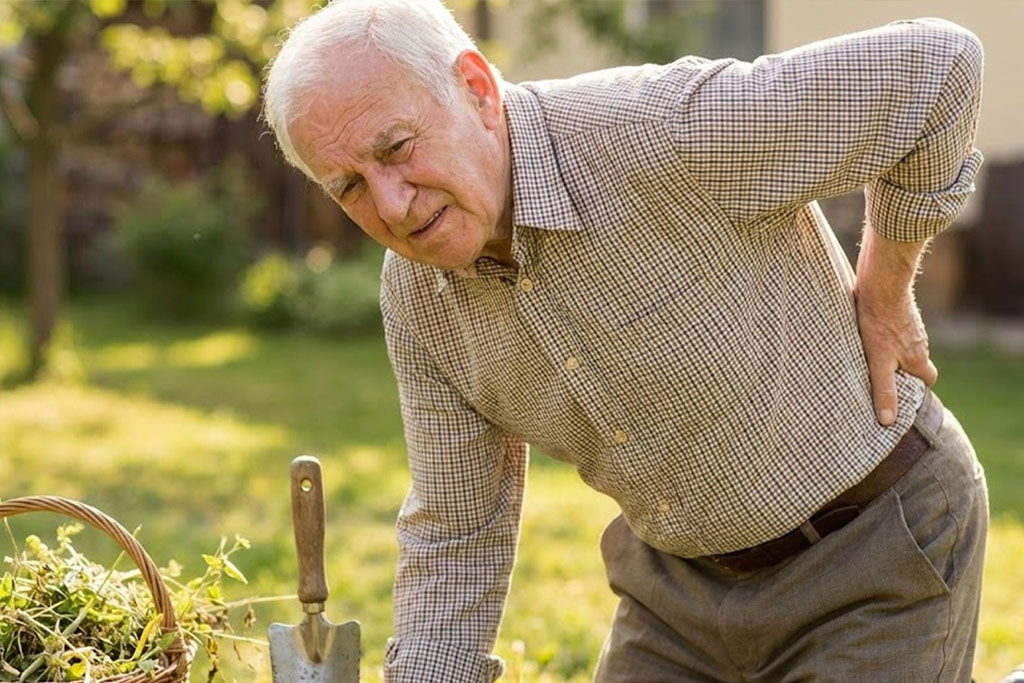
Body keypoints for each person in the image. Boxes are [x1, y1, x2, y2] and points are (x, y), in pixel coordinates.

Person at [262, 1, 989, 681]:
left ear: (478, 89)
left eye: (396, 148)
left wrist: (887, 286)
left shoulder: (663, 131)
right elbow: (458, 532)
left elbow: (939, 68)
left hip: (877, 551)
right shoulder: (418, 296)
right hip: (674, 593)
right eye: (349, 187)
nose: (390, 204)